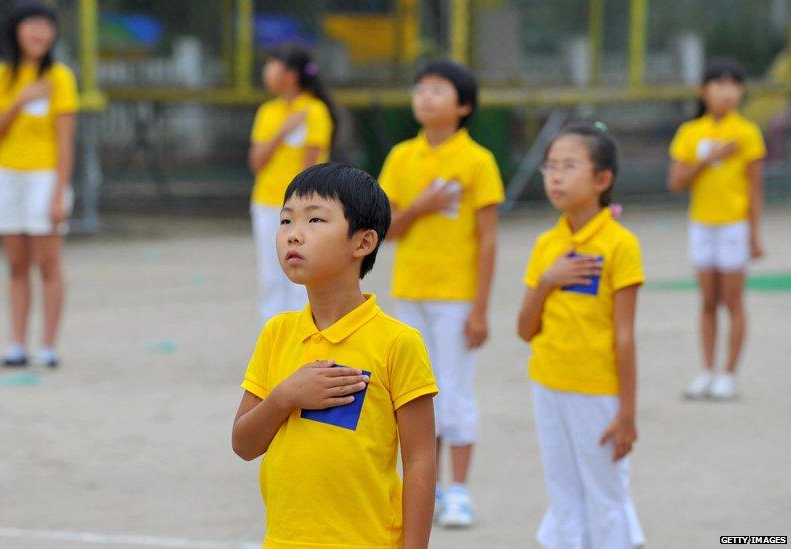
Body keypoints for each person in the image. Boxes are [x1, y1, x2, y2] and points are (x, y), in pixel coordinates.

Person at [232, 163, 438, 548]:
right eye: (285, 220)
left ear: (362, 243)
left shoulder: (397, 342)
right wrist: (286, 396)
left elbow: (421, 461)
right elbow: (244, 444)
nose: (293, 235)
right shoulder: (277, 334)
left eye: (314, 220)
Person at [378, 60, 502, 527]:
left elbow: (488, 239)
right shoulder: (401, 157)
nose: (425, 97)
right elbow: (387, 229)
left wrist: (481, 308)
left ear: (464, 105)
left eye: (438, 90)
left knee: (455, 390)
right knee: (416, 393)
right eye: (420, 89)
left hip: (456, 295)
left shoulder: (477, 161)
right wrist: (422, 207)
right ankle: (424, 489)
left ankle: (460, 492)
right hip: (410, 291)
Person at [517, 123, 645, 549]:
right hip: (548, 385)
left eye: (569, 166)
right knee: (564, 492)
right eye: (549, 166)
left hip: (597, 391)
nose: (555, 176)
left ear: (602, 179)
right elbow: (525, 329)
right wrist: (547, 281)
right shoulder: (546, 245)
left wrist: (627, 412)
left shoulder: (620, 245)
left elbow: (624, 335)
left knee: (605, 493)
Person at [0, 2, 79, 368]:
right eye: (31, 25)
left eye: (46, 26)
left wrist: (58, 193)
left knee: (48, 263)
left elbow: (65, 141)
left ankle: (49, 346)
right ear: (16, 30)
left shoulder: (60, 77)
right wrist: (19, 101)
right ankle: (17, 345)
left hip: (45, 177)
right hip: (7, 176)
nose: (39, 33)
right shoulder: (0, 75)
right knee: (16, 264)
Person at [668, 60, 766, 400]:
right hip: (702, 225)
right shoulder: (691, 133)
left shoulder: (747, 132)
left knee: (733, 300)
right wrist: (710, 158)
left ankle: (729, 374)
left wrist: (755, 234)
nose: (727, 91)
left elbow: (755, 188)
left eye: (733, 84)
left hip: (733, 226)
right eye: (719, 84)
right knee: (708, 300)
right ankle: (707, 370)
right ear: (703, 90)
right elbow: (676, 182)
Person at [248, 44, 336, 323]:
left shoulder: (315, 111)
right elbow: (257, 162)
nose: (267, 71)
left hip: (301, 208)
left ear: (291, 74)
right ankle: (272, 341)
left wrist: (298, 212)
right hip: (266, 203)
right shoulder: (268, 112)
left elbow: (310, 168)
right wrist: (282, 131)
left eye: (272, 64)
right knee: (270, 276)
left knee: (301, 275)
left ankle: (304, 340)